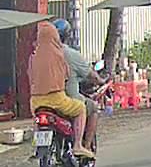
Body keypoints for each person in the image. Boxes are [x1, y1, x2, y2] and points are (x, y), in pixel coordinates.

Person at [28, 21, 90, 157]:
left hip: (35, 102)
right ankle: (78, 145)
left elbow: (30, 77)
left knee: (37, 119)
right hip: (56, 98)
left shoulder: (33, 56)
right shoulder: (58, 54)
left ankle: (37, 148)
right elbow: (66, 76)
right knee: (81, 108)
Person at [53, 18, 105, 154]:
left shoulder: (42, 54)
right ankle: (84, 146)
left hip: (41, 102)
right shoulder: (71, 55)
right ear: (67, 36)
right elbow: (92, 76)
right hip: (66, 101)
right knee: (92, 107)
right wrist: (101, 81)